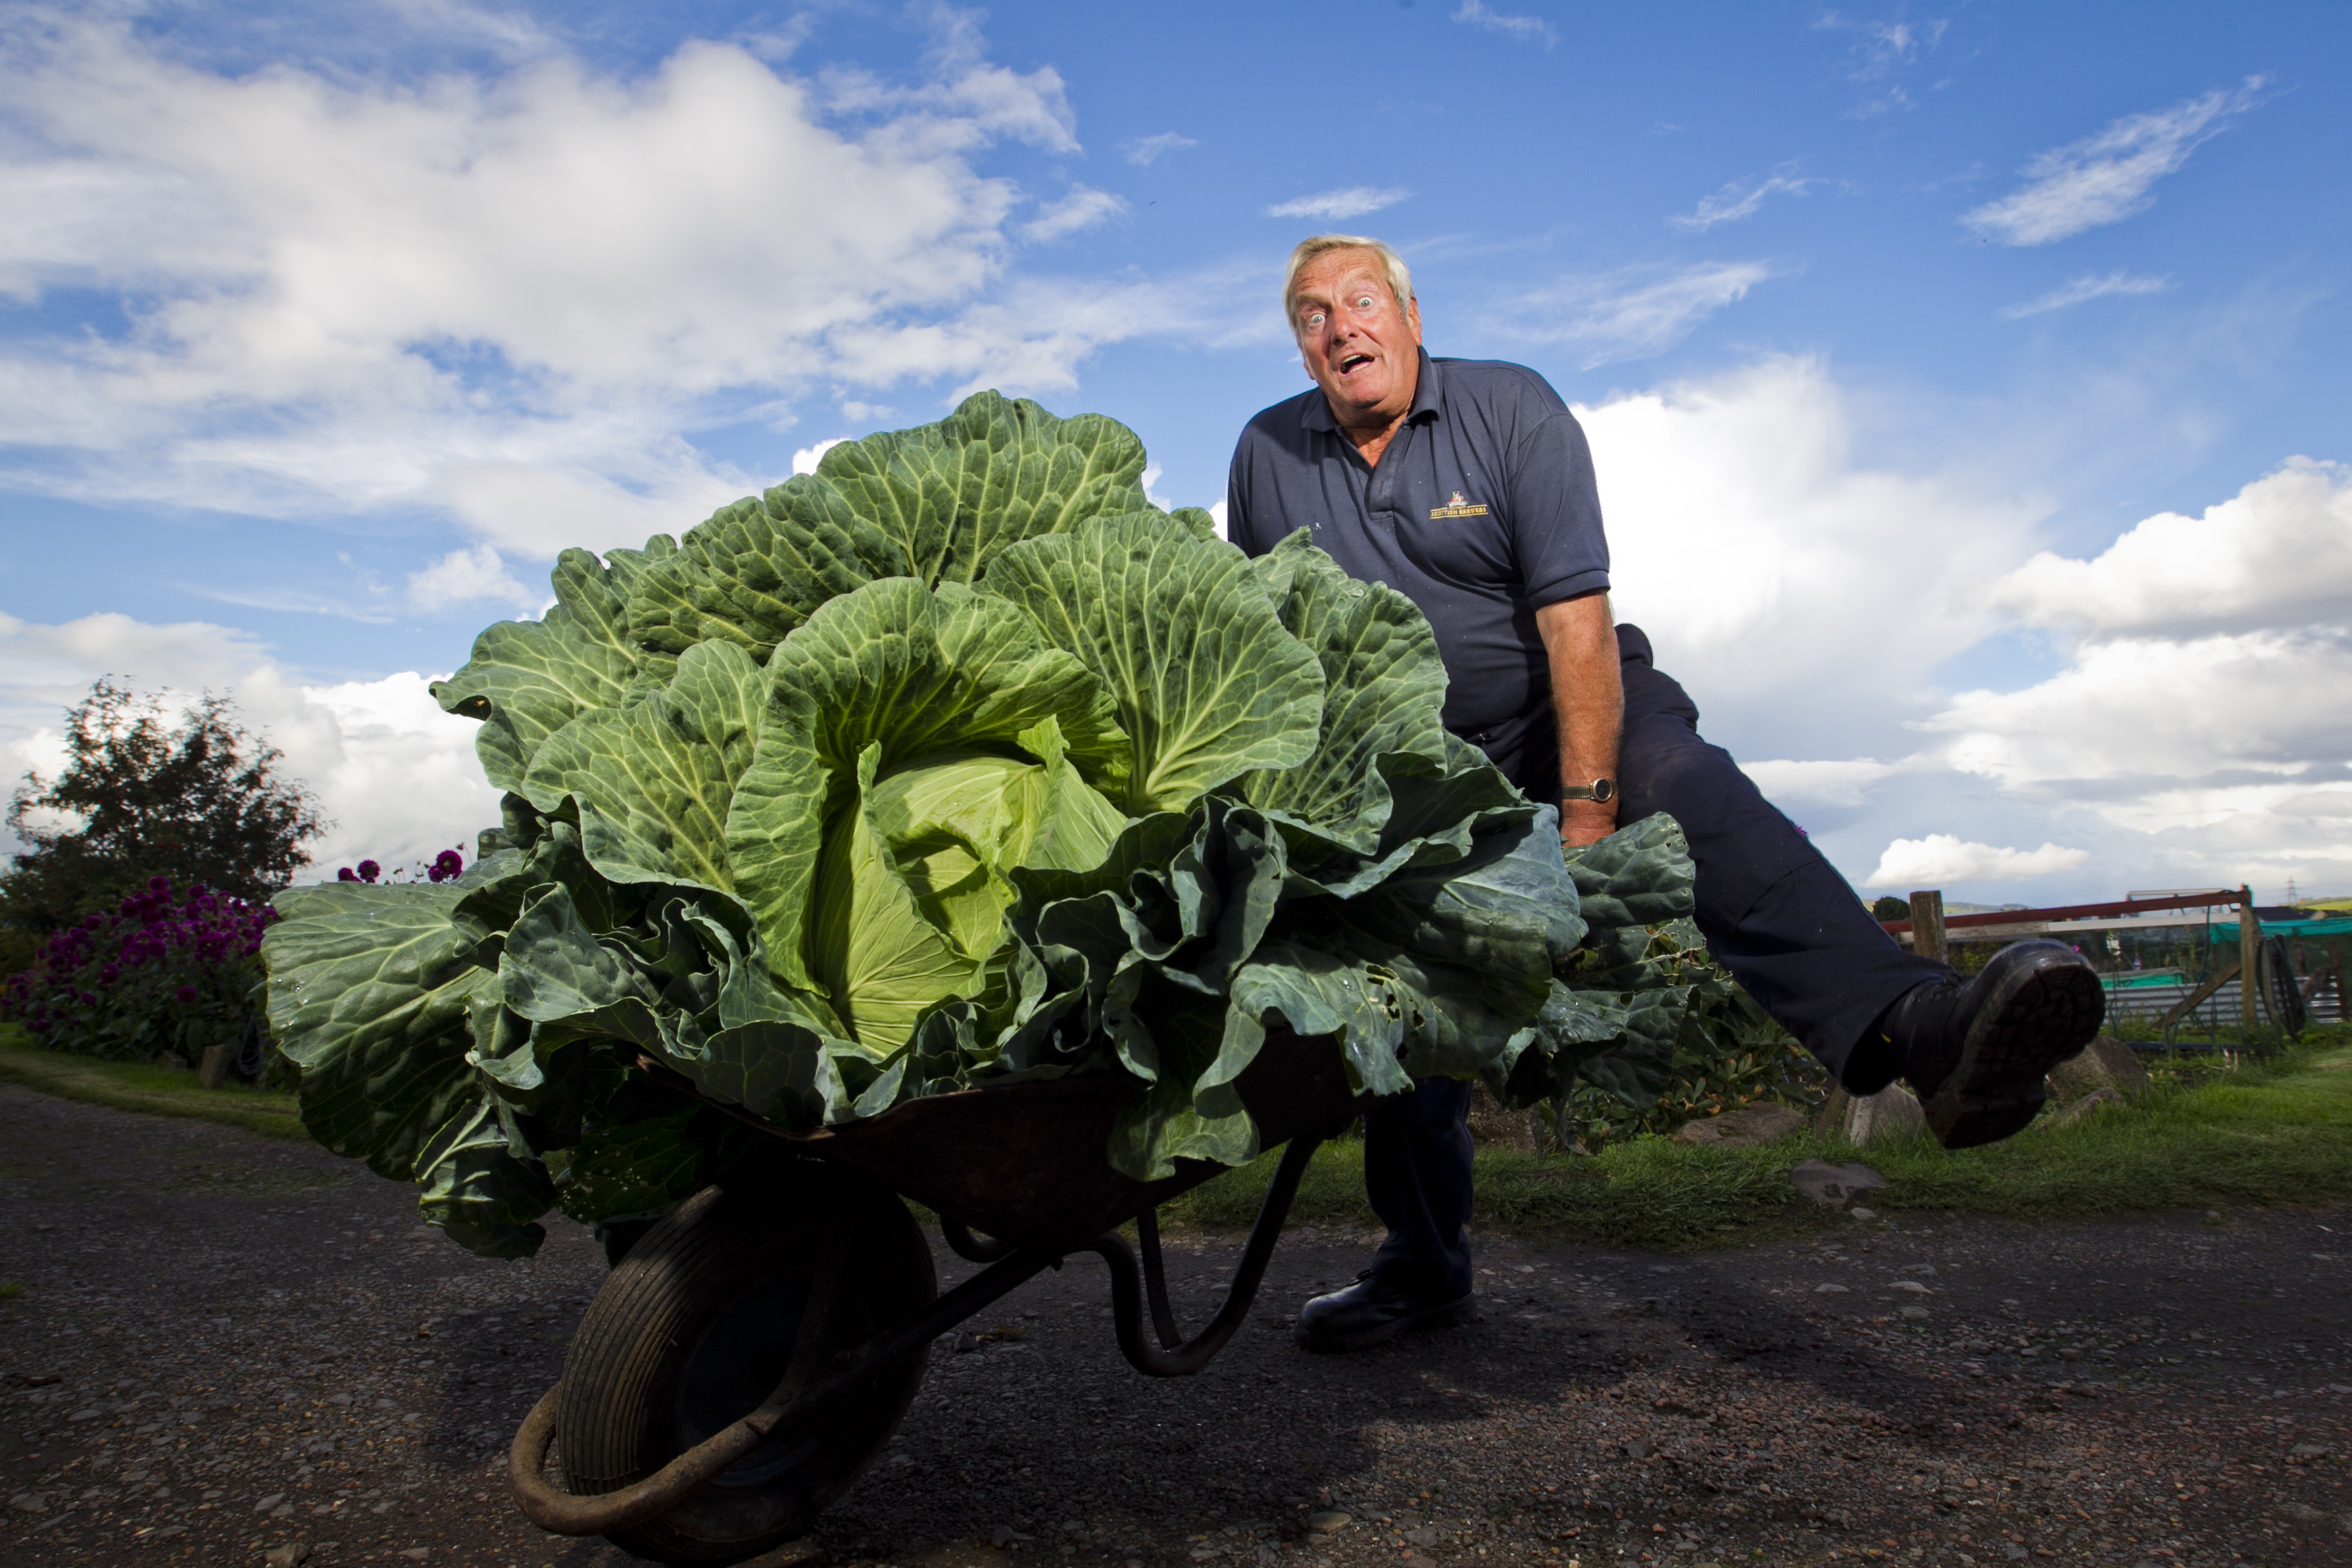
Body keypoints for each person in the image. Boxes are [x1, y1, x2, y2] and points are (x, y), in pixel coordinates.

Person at [1225, 234, 2105, 1355]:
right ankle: (1423, 1264)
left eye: (1361, 301)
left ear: (1408, 312)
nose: (1341, 326)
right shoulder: (1265, 452)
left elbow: (1573, 621)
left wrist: (1588, 815)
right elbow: (1273, 643)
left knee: (1682, 783)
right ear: (1299, 344)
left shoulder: (1509, 410)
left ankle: (1920, 1025)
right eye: (1312, 313)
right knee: (1402, 989)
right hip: (1408, 764)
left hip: (1567, 706)